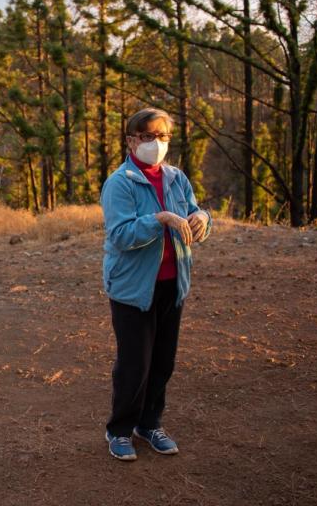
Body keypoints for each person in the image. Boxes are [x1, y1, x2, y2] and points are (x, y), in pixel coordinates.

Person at [100, 107, 211, 461]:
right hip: (133, 289)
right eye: (148, 137)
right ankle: (119, 430)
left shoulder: (177, 178)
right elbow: (120, 235)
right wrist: (158, 219)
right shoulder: (120, 182)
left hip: (172, 283)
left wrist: (203, 219)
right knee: (135, 364)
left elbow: (194, 210)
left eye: (162, 137)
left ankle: (149, 424)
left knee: (163, 361)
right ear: (132, 141)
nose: (156, 144)